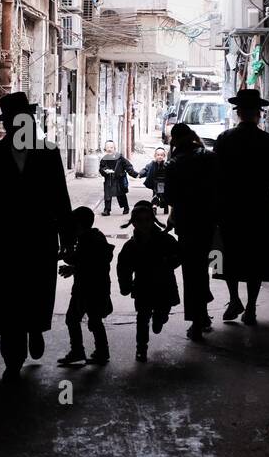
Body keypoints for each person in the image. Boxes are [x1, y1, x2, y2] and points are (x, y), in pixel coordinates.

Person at [0, 92, 72, 382]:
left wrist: (68, 236)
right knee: (6, 297)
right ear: (8, 125)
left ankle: (35, 328)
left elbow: (60, 197)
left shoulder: (48, 154)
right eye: (14, 121)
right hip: (2, 241)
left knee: (35, 291)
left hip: (39, 238)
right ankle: (12, 357)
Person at [213, 89, 269, 326]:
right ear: (258, 114)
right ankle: (251, 307)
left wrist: (214, 204)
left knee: (231, 255)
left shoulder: (224, 139)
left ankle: (234, 299)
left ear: (239, 114)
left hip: (230, 207)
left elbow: (214, 176)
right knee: (256, 257)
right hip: (258, 207)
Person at [165, 123, 219, 341]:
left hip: (187, 221)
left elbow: (170, 197)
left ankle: (197, 321)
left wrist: (172, 214)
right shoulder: (210, 157)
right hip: (208, 220)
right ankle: (203, 313)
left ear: (175, 140)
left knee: (191, 270)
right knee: (203, 266)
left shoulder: (174, 164)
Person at [116, 200, 181, 362]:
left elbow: (179, 255)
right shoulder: (130, 246)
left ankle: (160, 318)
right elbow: (123, 267)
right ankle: (141, 348)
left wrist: (169, 262)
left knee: (161, 312)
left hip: (163, 286)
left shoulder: (165, 240)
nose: (144, 224)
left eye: (147, 220)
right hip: (143, 288)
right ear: (133, 223)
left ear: (153, 220)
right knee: (142, 318)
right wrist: (125, 286)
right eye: (139, 220)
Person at [56, 206, 114, 367]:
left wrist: (72, 266)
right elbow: (86, 261)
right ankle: (100, 351)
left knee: (75, 319)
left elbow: (91, 263)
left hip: (90, 289)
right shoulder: (92, 237)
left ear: (78, 225)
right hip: (92, 288)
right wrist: (70, 262)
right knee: (92, 321)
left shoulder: (89, 240)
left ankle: (82, 351)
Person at [98, 140, 138, 215]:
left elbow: (128, 166)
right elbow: (101, 169)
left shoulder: (120, 158)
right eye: (107, 147)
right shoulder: (104, 159)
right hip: (108, 179)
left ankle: (126, 207)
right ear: (105, 149)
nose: (109, 149)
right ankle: (107, 210)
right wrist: (104, 171)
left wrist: (134, 174)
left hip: (119, 179)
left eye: (111, 147)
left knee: (121, 194)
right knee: (107, 194)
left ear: (114, 148)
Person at [138, 146, 170, 214]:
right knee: (155, 195)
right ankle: (154, 206)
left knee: (163, 196)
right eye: (158, 155)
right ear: (155, 156)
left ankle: (165, 206)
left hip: (163, 183)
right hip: (155, 182)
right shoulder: (152, 164)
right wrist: (140, 174)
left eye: (161, 155)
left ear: (164, 156)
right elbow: (146, 169)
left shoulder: (166, 164)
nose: (160, 157)